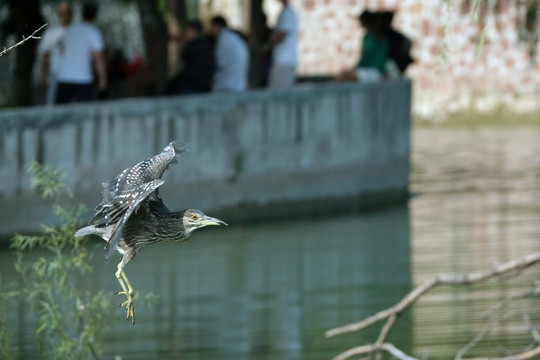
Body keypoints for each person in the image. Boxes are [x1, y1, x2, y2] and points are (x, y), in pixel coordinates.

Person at [55, 2, 107, 103]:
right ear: (96, 15)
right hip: (83, 77)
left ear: (81, 14)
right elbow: (98, 58)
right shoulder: (94, 33)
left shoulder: (69, 29)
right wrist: (102, 78)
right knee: (84, 113)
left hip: (63, 76)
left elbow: (60, 51)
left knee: (60, 114)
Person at [166, 19, 216, 95]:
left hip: (193, 86)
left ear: (193, 31)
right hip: (205, 86)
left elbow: (184, 69)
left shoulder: (192, 48)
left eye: (187, 31)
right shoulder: (208, 44)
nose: (185, 34)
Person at [338, 10, 389, 82]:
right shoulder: (372, 37)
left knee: (345, 77)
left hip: (374, 71)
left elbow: (368, 57)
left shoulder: (375, 37)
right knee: (344, 74)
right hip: (371, 70)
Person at [38, 2, 72, 105]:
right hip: (55, 75)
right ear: (58, 14)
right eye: (62, 13)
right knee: (53, 104)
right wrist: (43, 76)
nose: (65, 16)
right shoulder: (51, 33)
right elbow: (45, 57)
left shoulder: (77, 32)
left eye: (67, 13)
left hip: (73, 75)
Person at [209, 16, 249, 92]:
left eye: (211, 27)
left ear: (217, 26)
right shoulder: (230, 37)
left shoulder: (224, 40)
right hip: (237, 84)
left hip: (229, 86)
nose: (210, 30)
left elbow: (219, 63)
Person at [268, 0, 298, 90]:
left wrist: (269, 42)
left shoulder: (288, 13)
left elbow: (282, 35)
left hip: (285, 60)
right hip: (283, 60)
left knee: (279, 93)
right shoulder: (285, 12)